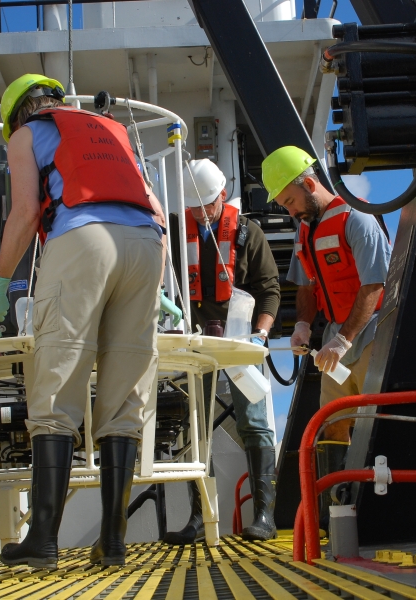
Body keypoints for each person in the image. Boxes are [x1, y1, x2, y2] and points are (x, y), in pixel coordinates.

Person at [0, 74, 166, 569]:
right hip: (147, 247)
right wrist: (158, 289)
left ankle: (42, 540)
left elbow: (25, 212)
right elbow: (156, 209)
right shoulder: (112, 129)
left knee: (57, 387)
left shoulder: (25, 134)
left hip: (82, 242)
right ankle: (114, 543)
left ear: (20, 112)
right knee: (124, 395)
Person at [262, 146, 391, 528]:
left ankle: (384, 519)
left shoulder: (358, 219)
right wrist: (303, 324)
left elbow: (374, 284)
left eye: (290, 201)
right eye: (284, 205)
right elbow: (306, 287)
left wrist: (344, 339)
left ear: (309, 183)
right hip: (336, 344)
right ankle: (335, 521)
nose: (290, 211)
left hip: (370, 337)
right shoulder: (304, 230)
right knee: (331, 424)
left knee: (379, 422)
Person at [164, 159, 280, 543]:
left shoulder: (250, 233)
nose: (199, 213)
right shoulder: (173, 234)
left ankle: (264, 515)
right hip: (194, 345)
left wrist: (260, 336)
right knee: (195, 429)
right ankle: (200, 519)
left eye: (206, 205)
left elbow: (269, 289)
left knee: (255, 422)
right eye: (192, 207)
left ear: (222, 196)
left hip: (240, 343)